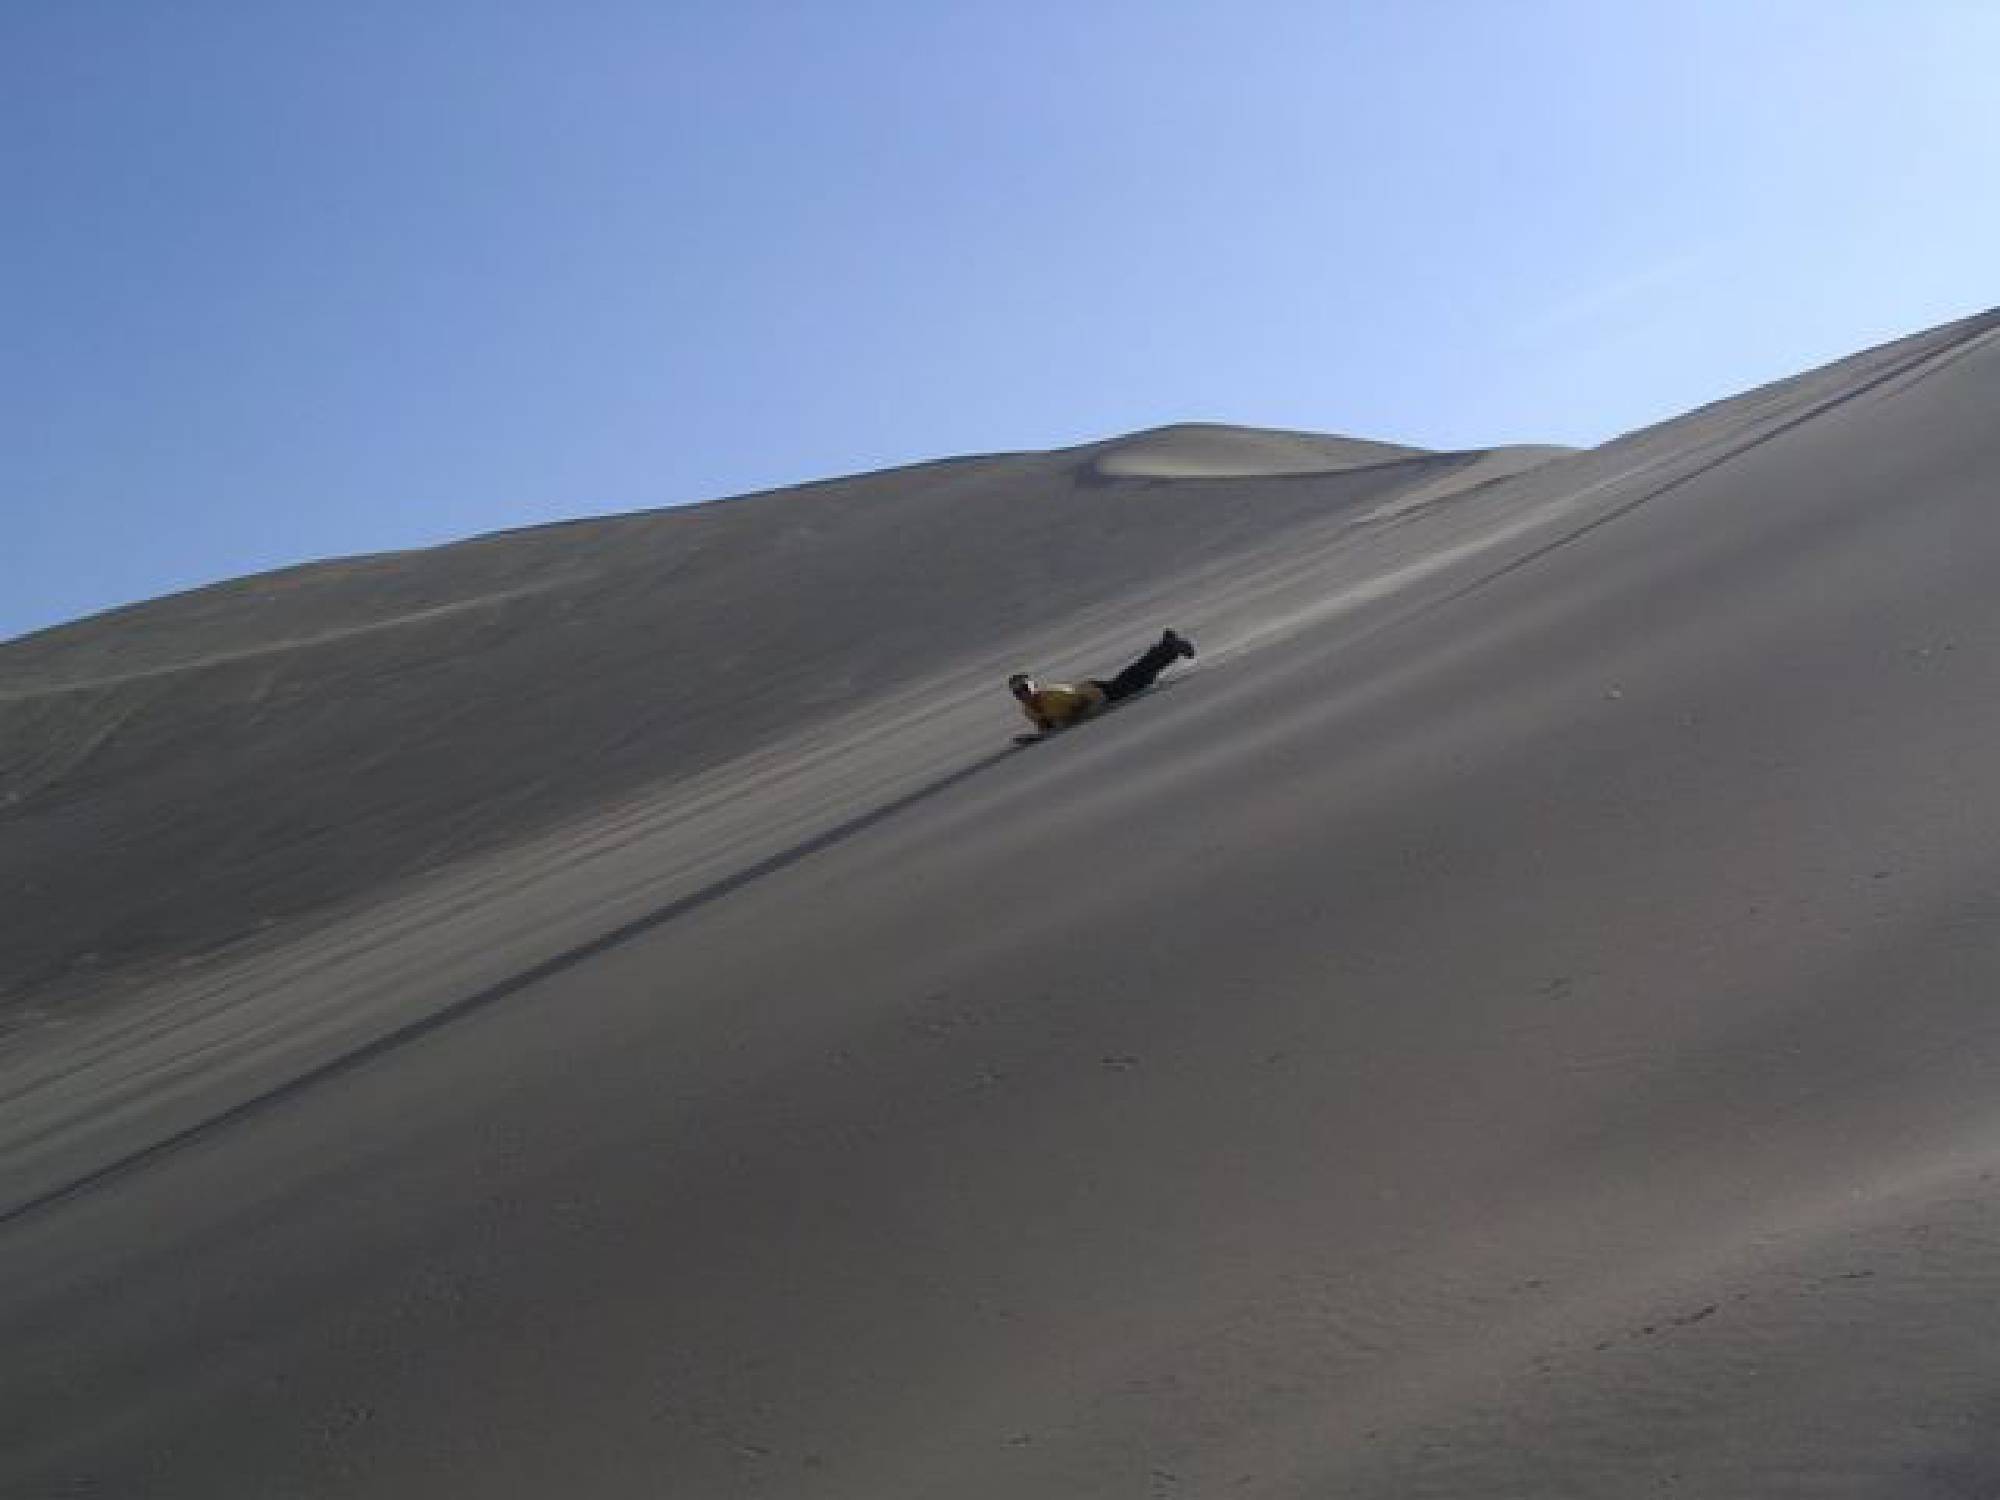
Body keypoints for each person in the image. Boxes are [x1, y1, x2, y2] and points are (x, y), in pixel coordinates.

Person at [1008, 629, 1195, 734]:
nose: (1023, 694)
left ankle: (1169, 647)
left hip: (1098, 693)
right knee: (1137, 676)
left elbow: (1081, 702)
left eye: (1025, 688)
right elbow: (1044, 720)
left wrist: (1072, 718)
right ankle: (1167, 647)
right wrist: (1045, 728)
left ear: (1033, 686)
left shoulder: (1052, 695)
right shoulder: (1029, 709)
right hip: (1092, 691)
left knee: (1139, 679)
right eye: (1018, 693)